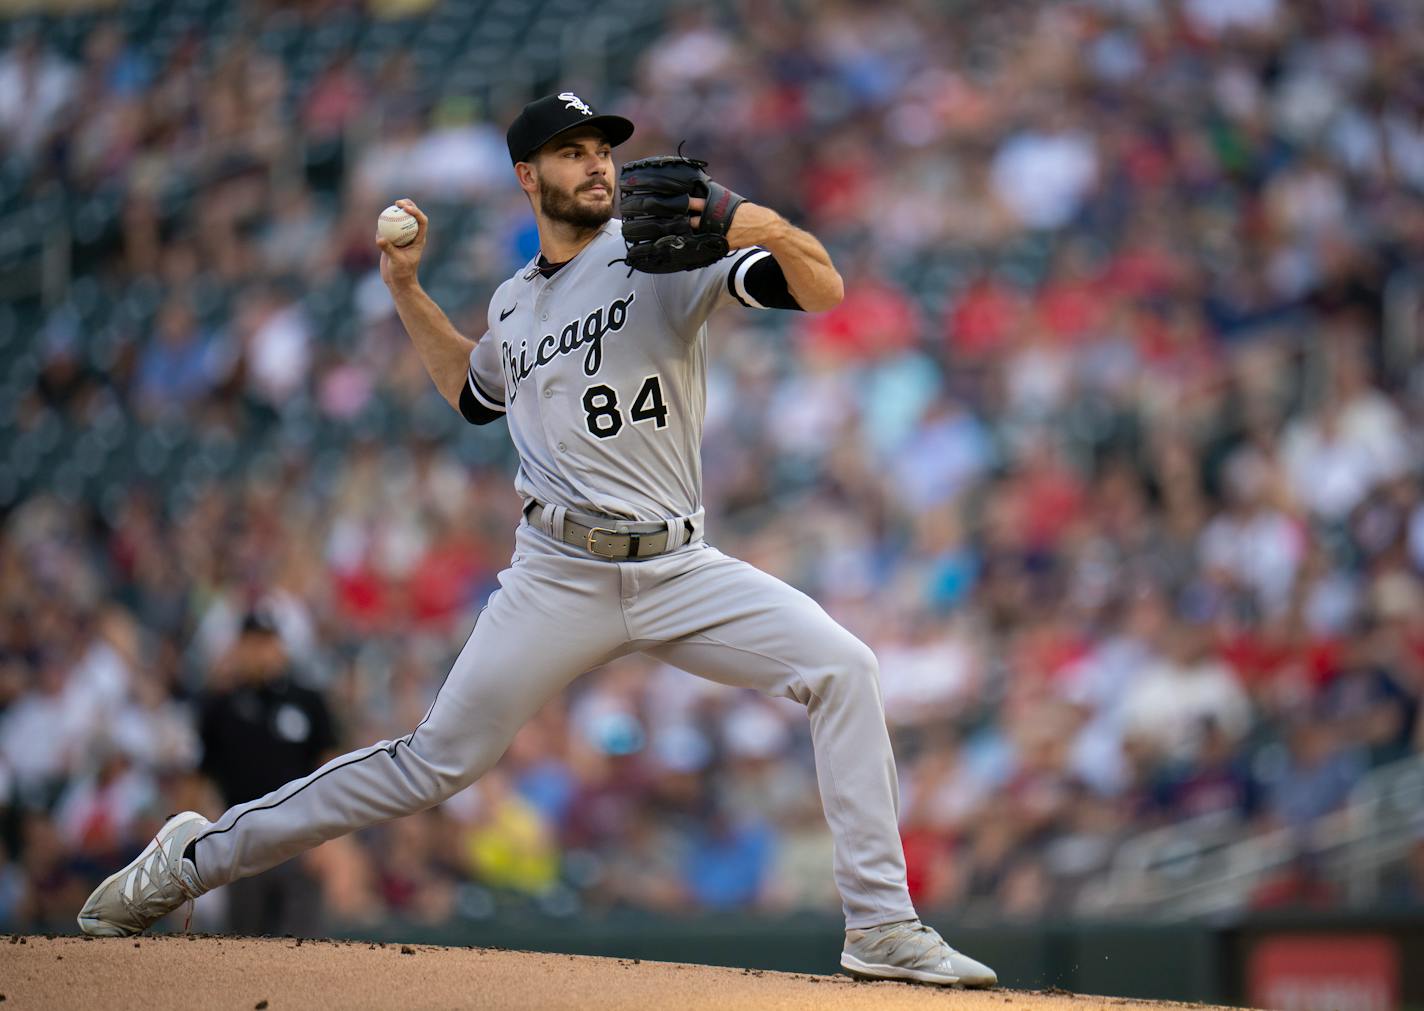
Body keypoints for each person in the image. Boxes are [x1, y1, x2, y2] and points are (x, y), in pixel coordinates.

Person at [78, 93, 997, 989]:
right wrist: (405, 289)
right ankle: (194, 855)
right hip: (557, 575)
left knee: (844, 666)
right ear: (527, 176)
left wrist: (746, 218)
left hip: (679, 564)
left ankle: (881, 925)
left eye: (602, 147)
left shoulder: (662, 252)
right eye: (571, 150)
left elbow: (824, 287)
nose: (597, 161)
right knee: (434, 762)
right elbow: (471, 391)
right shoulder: (514, 304)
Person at [196, 608, 338, 935]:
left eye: (267, 642)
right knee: (243, 944)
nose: (261, 652)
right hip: (243, 840)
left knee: (303, 945)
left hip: (300, 838)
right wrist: (204, 843)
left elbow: (330, 770)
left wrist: (329, 840)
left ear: (281, 647)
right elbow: (201, 780)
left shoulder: (308, 701)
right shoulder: (220, 707)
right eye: (253, 643)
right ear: (239, 648)